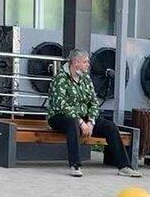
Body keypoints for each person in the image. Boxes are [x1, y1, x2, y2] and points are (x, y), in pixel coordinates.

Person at [46, 49, 141, 178]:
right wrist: (81, 122)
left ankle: (124, 166)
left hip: (84, 117)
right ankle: (75, 165)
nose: (88, 65)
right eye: (85, 62)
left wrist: (91, 121)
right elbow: (62, 105)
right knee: (72, 123)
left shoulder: (86, 79)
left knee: (110, 126)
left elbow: (94, 102)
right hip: (60, 117)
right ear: (75, 62)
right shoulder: (60, 79)